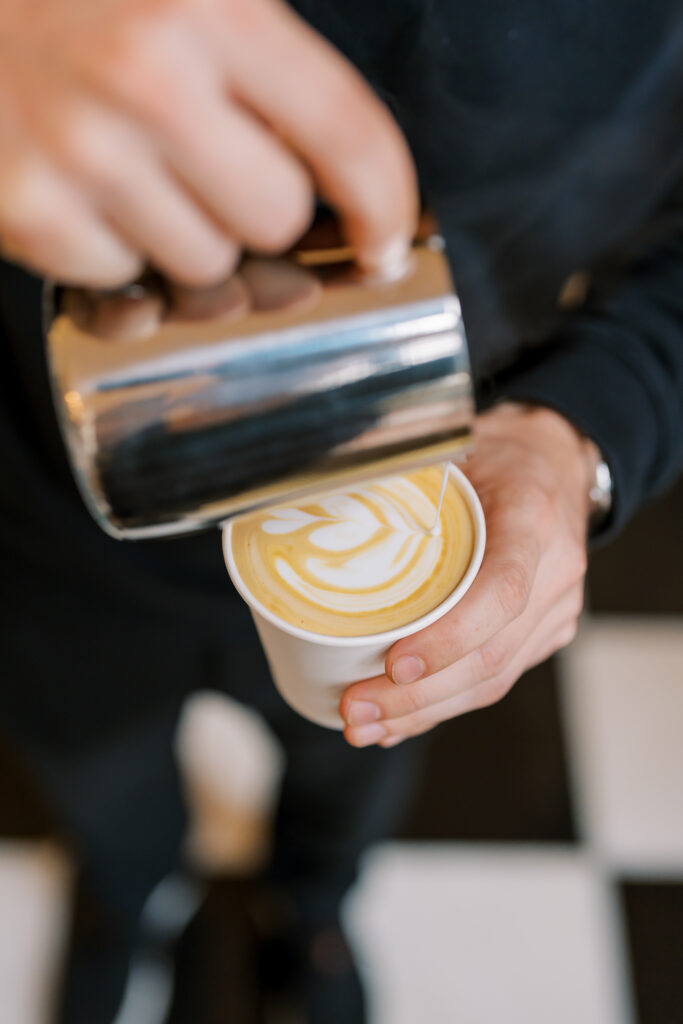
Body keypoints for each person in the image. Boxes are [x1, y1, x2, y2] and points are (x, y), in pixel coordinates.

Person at [1, 0, 681, 1021]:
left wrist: (577, 437)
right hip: (49, 495)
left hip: (434, 490)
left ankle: (308, 909)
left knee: (351, 768)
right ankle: (124, 896)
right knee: (102, 787)